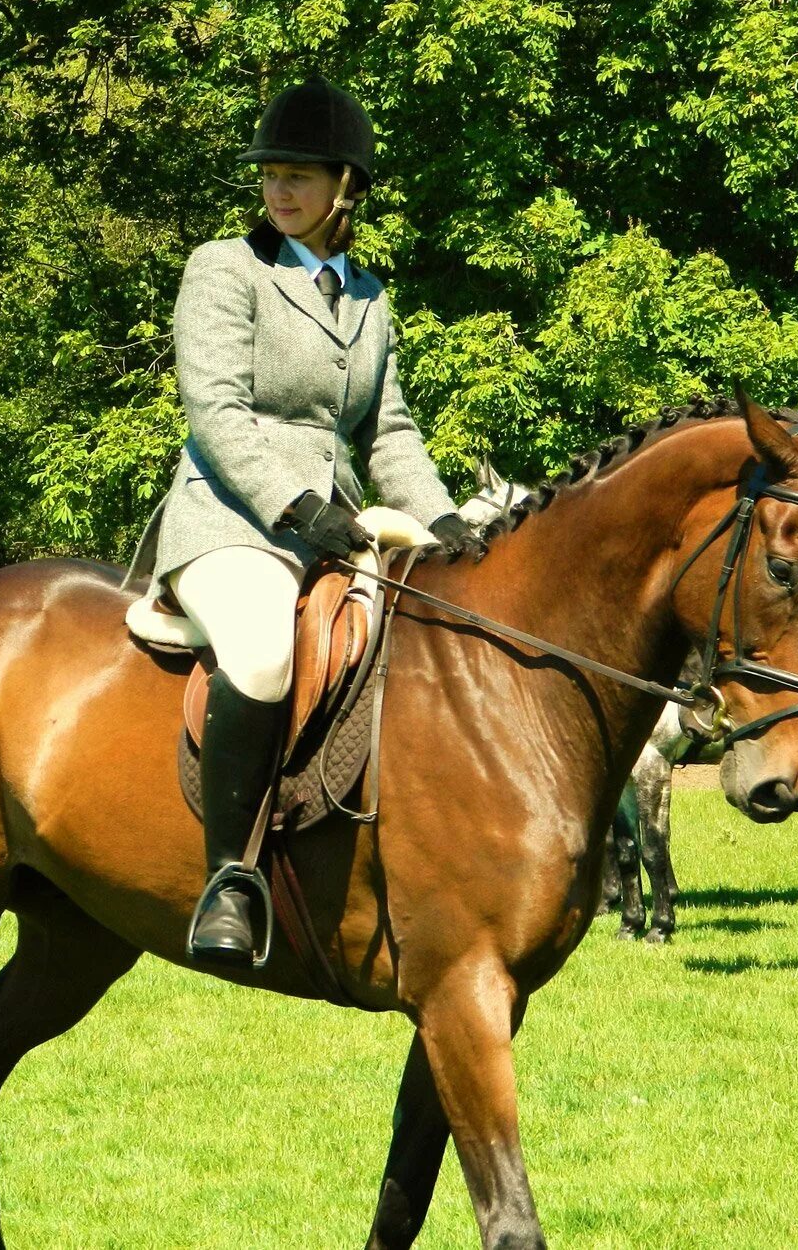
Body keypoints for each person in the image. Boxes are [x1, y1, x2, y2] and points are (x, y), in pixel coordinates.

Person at [142, 76, 482, 967]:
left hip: (336, 525)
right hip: (230, 518)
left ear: (346, 188)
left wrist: (445, 523)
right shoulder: (226, 267)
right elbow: (215, 411)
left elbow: (388, 431)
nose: (280, 191)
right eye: (271, 175)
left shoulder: (369, 298)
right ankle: (229, 880)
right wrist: (299, 509)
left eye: (300, 176)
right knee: (259, 652)